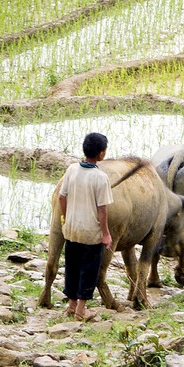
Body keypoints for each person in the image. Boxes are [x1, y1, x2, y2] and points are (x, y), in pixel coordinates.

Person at [57, 132, 114, 322]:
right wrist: (106, 234)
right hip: (90, 232)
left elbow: (61, 197)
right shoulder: (100, 177)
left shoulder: (72, 170)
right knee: (88, 270)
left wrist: (66, 217)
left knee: (72, 267)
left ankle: (72, 305)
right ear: (101, 154)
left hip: (71, 229)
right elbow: (102, 209)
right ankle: (81, 309)